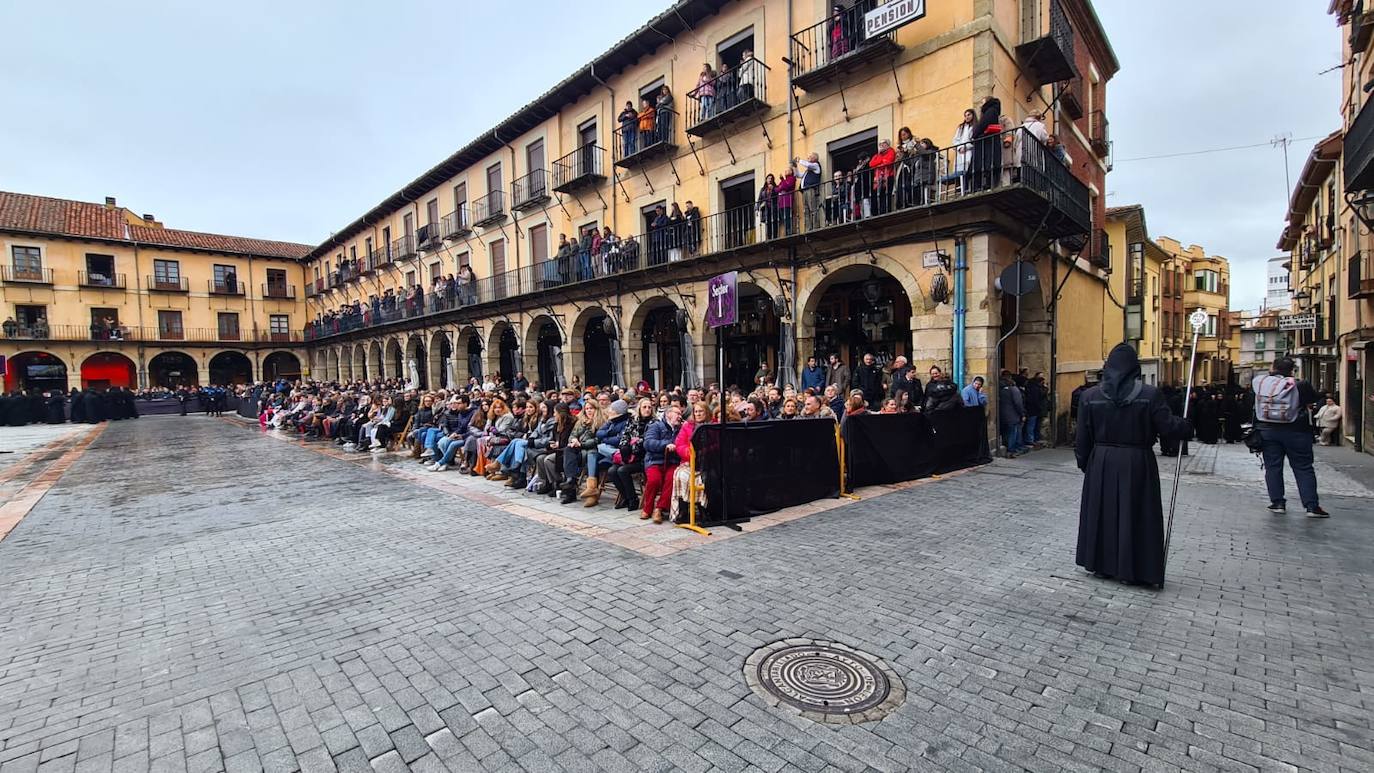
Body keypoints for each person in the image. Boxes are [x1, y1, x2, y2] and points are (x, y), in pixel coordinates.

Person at [1075, 344, 1192, 587]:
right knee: (1136, 513)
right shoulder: (1149, 395)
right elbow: (1168, 427)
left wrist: (1086, 464)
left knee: (1102, 512)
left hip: (1102, 461)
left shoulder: (1090, 396)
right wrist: (1185, 426)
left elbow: (1082, 437)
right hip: (1136, 461)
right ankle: (1133, 569)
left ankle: (1102, 565)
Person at [1254, 357, 1327, 517]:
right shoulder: (1300, 385)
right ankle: (1311, 507)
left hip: (1268, 430)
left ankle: (1277, 503)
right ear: (1292, 370)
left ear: (1273, 367)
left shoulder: (1261, 383)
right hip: (1297, 431)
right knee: (1303, 468)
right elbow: (1314, 398)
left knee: (1273, 467)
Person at [641, 404, 683, 523]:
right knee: (654, 480)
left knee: (672, 479)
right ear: (668, 414)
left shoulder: (681, 429)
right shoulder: (656, 426)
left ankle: (659, 509)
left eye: (680, 414)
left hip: (672, 461)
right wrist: (666, 444)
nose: (679, 416)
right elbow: (648, 443)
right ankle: (647, 508)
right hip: (654, 460)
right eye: (677, 413)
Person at [998, 373, 1025, 456]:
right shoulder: (1014, 389)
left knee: (1005, 432)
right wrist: (1022, 414)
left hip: (1002, 415)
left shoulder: (1000, 389)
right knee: (1013, 433)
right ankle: (1011, 450)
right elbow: (1018, 403)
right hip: (1013, 415)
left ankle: (1006, 447)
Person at [797, 152, 822, 231]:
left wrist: (799, 160)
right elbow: (798, 175)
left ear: (815, 158)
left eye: (810, 157)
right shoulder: (808, 171)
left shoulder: (816, 165)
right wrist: (795, 167)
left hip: (811, 190)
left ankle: (815, 227)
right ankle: (808, 228)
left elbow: (808, 164)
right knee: (806, 210)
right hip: (804, 191)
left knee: (813, 209)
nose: (808, 158)